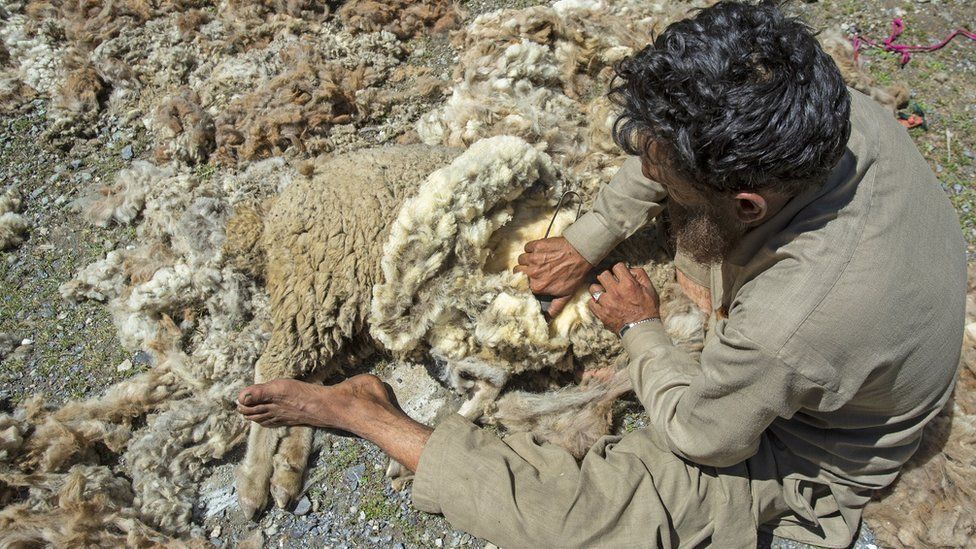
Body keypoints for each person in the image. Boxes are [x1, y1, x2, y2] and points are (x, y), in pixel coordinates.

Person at [234, 2, 966, 546]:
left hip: (820, 445)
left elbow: (705, 436)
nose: (647, 177)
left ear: (747, 202)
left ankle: (367, 410)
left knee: (590, 516)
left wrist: (642, 331)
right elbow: (678, 156)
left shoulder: (789, 323)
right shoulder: (818, 115)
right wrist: (591, 237)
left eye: (665, 177)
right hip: (848, 330)